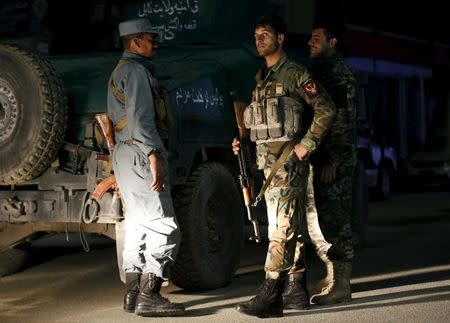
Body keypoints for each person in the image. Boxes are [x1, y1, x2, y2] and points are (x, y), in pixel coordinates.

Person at [232, 15, 336, 318]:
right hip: (269, 168)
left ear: (280, 39)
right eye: (256, 34)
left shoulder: (294, 74)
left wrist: (308, 144)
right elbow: (262, 124)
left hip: (289, 164)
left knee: (282, 229)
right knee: (290, 228)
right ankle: (295, 289)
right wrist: (242, 143)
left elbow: (325, 108)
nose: (259, 39)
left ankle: (270, 293)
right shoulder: (261, 78)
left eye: (265, 34)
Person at [107, 17, 185, 317]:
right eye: (150, 39)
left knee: (139, 224)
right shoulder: (137, 72)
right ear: (136, 42)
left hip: (125, 155)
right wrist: (153, 155)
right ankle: (150, 294)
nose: (155, 44)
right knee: (164, 226)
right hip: (141, 153)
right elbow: (141, 120)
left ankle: (134, 293)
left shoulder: (120, 71)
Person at [306, 20, 358, 305]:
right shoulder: (320, 72)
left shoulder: (339, 75)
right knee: (320, 221)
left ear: (333, 41)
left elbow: (343, 123)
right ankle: (330, 277)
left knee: (337, 221)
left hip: (333, 161)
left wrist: (333, 160)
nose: (310, 43)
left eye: (317, 38)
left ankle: (342, 284)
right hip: (320, 158)